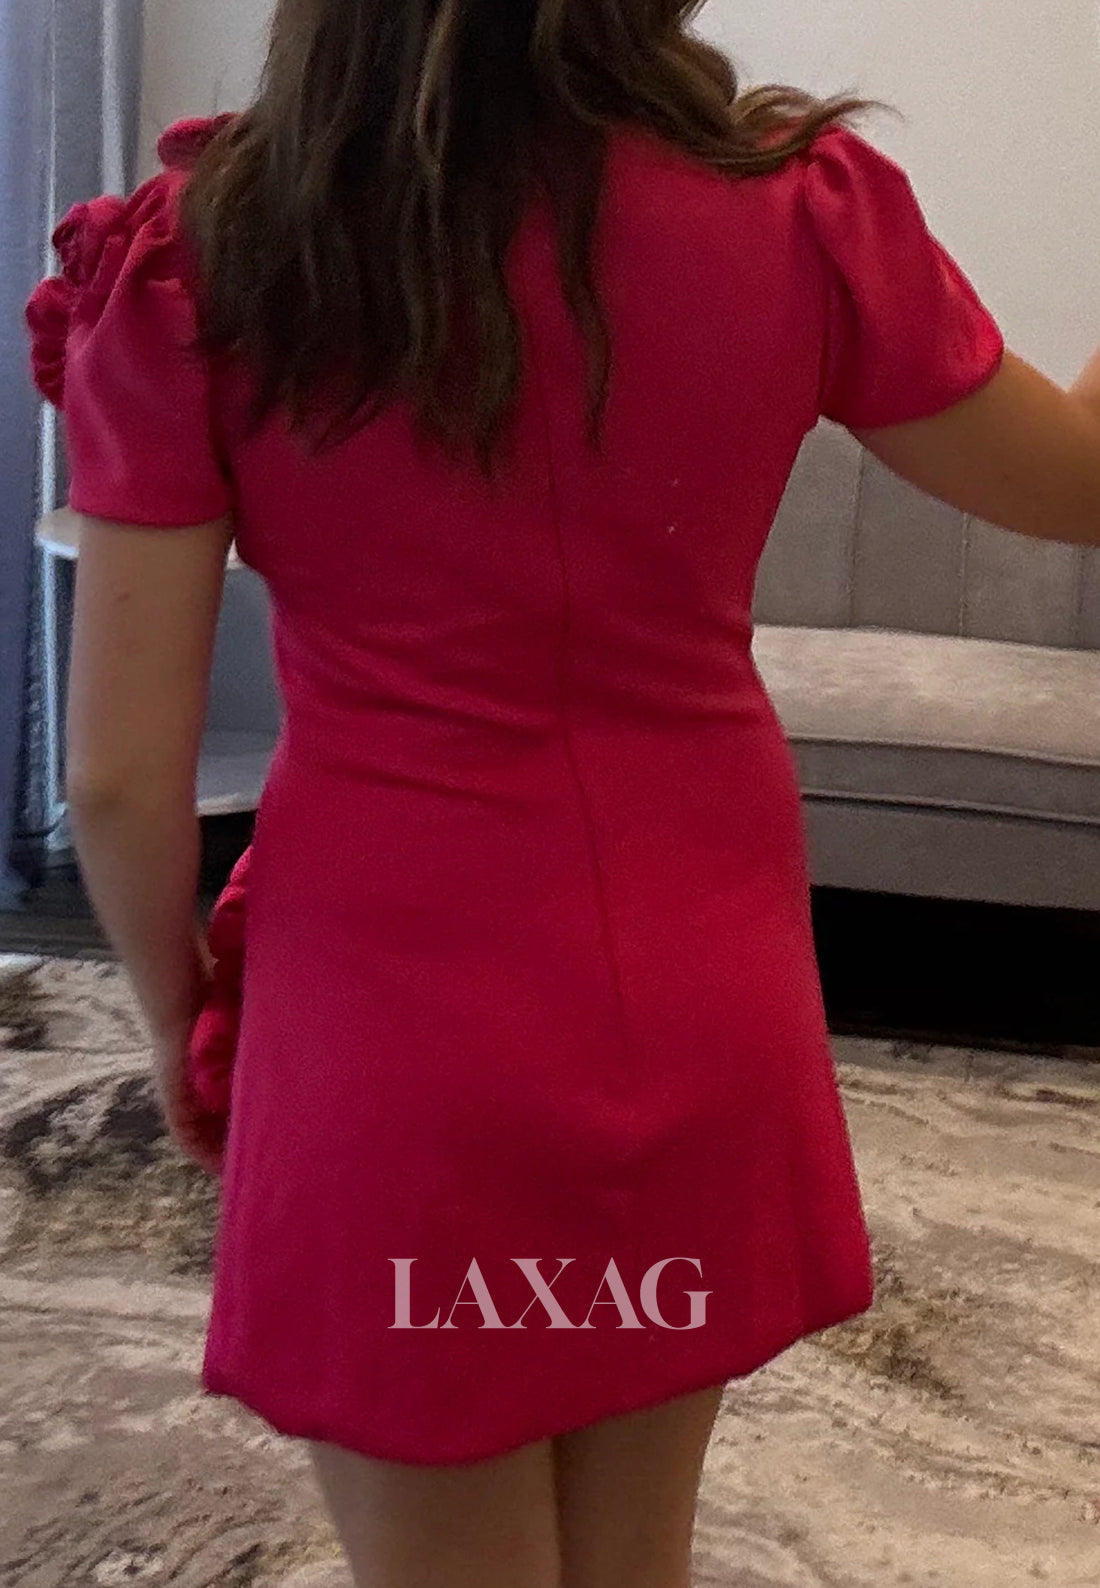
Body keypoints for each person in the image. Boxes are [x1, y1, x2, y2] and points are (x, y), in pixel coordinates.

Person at [23, 0, 1100, 1583]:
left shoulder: (220, 255)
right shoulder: (795, 206)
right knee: (629, 1557)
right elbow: (1079, 483)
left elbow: (120, 779)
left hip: (393, 1023)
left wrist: (173, 1006)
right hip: (703, 987)